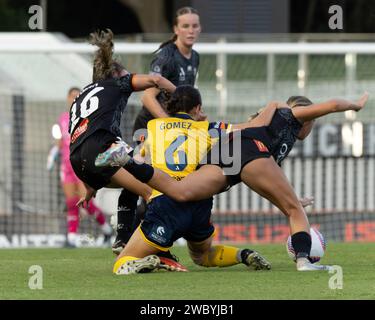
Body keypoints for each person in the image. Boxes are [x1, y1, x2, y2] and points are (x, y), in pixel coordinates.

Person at [95, 91, 368, 271]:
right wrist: (356, 105)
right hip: (244, 151)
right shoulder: (293, 116)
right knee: (294, 211)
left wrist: (270, 106)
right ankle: (305, 261)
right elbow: (332, 105)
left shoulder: (273, 124)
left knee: (178, 191)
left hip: (228, 152)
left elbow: (252, 132)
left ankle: (127, 160)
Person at [112, 85, 271, 275]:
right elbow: (252, 127)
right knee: (202, 256)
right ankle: (243, 254)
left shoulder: (153, 127)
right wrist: (273, 106)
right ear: (197, 108)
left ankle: (148, 259)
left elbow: (139, 161)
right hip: (199, 202)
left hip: (166, 202)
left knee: (121, 262)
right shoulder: (209, 129)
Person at [113, 6, 202, 255]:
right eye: (185, 26)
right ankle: (122, 236)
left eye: (194, 25)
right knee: (139, 176)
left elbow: (181, 98)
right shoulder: (166, 56)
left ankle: (148, 233)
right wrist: (167, 124)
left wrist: (193, 115)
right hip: (147, 127)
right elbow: (147, 97)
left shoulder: (194, 57)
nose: (190, 30)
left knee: (168, 183)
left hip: (171, 130)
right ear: (175, 29)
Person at [47, 87, 112, 247]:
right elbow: (60, 141)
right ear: (68, 98)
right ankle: (72, 238)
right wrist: (53, 154)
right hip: (66, 166)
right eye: (72, 96)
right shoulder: (62, 119)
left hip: (81, 164)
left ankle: (106, 230)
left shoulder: (87, 118)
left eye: (78, 96)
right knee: (71, 202)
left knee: (85, 202)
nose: (74, 98)